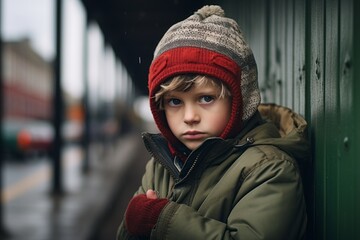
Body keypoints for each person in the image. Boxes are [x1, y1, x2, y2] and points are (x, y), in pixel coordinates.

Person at [117, 5, 309, 240]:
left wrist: (162, 220)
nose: (190, 117)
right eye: (175, 101)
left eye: (206, 98)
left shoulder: (270, 169)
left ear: (240, 99)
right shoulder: (161, 165)